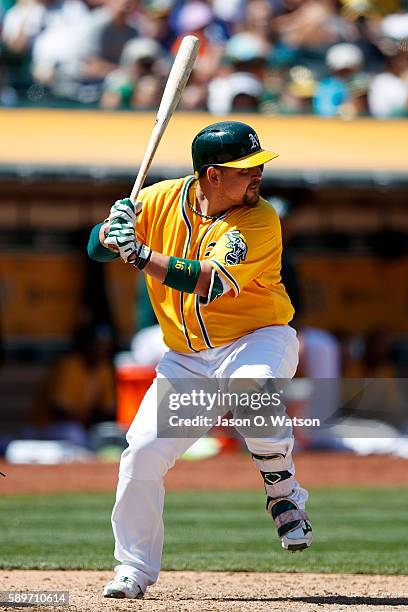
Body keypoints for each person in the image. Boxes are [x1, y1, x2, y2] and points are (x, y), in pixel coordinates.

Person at [87, 121, 313, 600]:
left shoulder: (260, 219)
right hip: (187, 360)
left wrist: (139, 252)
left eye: (257, 166)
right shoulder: (159, 199)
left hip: (257, 338)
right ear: (212, 174)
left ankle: (283, 490)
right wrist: (111, 229)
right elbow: (95, 250)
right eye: (245, 169)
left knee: (251, 388)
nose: (257, 175)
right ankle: (133, 569)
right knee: (141, 455)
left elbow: (206, 281)